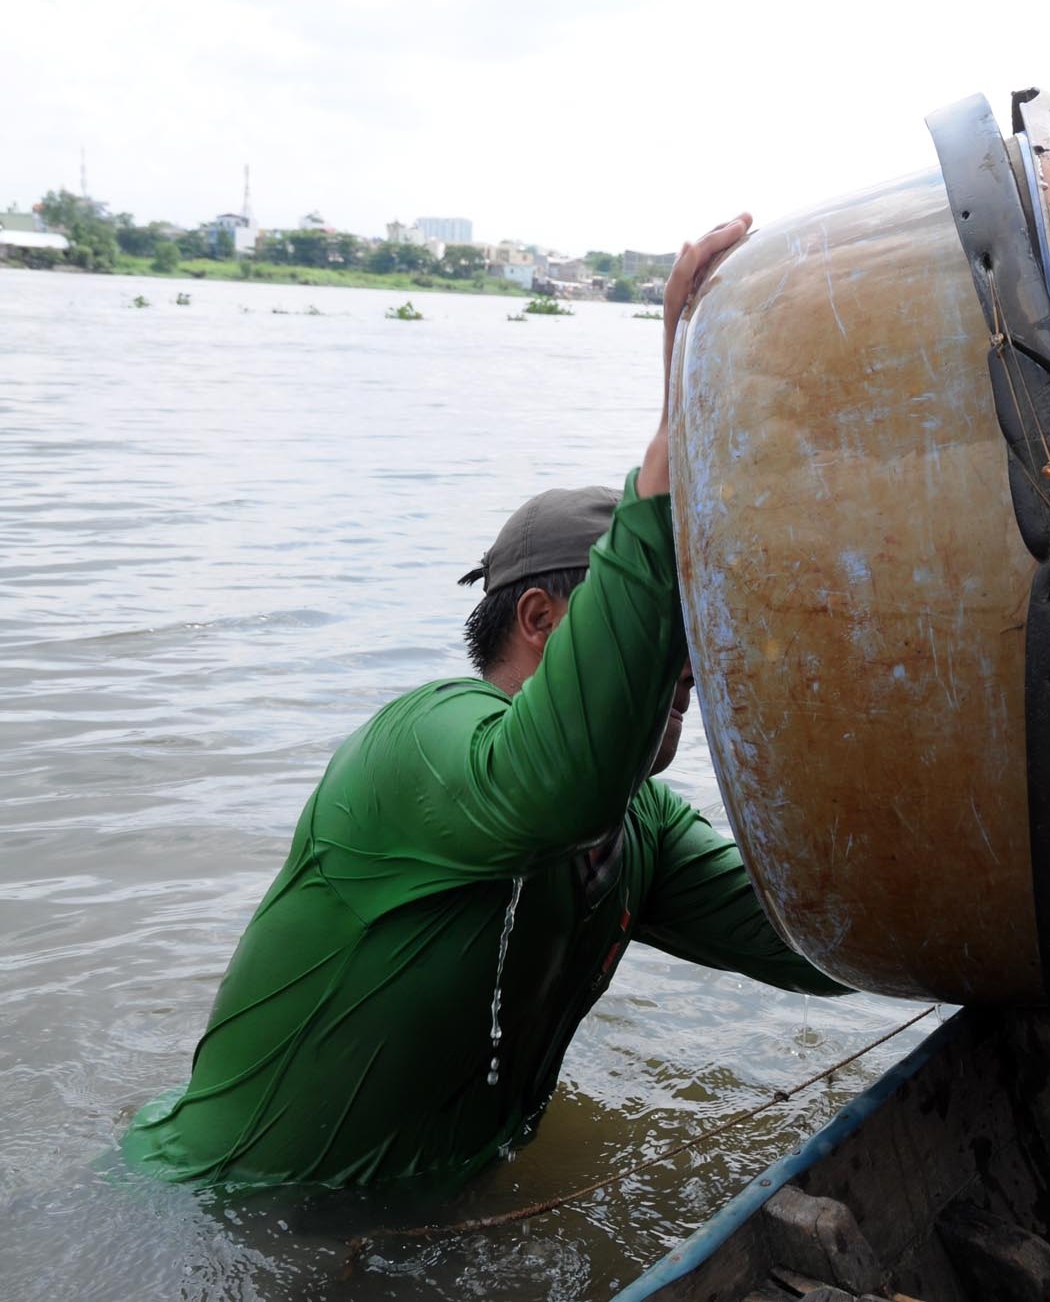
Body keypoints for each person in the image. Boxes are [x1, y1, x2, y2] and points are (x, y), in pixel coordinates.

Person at [123, 213, 845, 1190]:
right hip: (207, 1218)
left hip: (411, 1228)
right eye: (656, 596)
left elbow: (827, 941)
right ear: (541, 618)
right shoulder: (421, 746)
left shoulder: (642, 831)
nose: (684, 640)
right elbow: (557, 784)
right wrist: (673, 448)